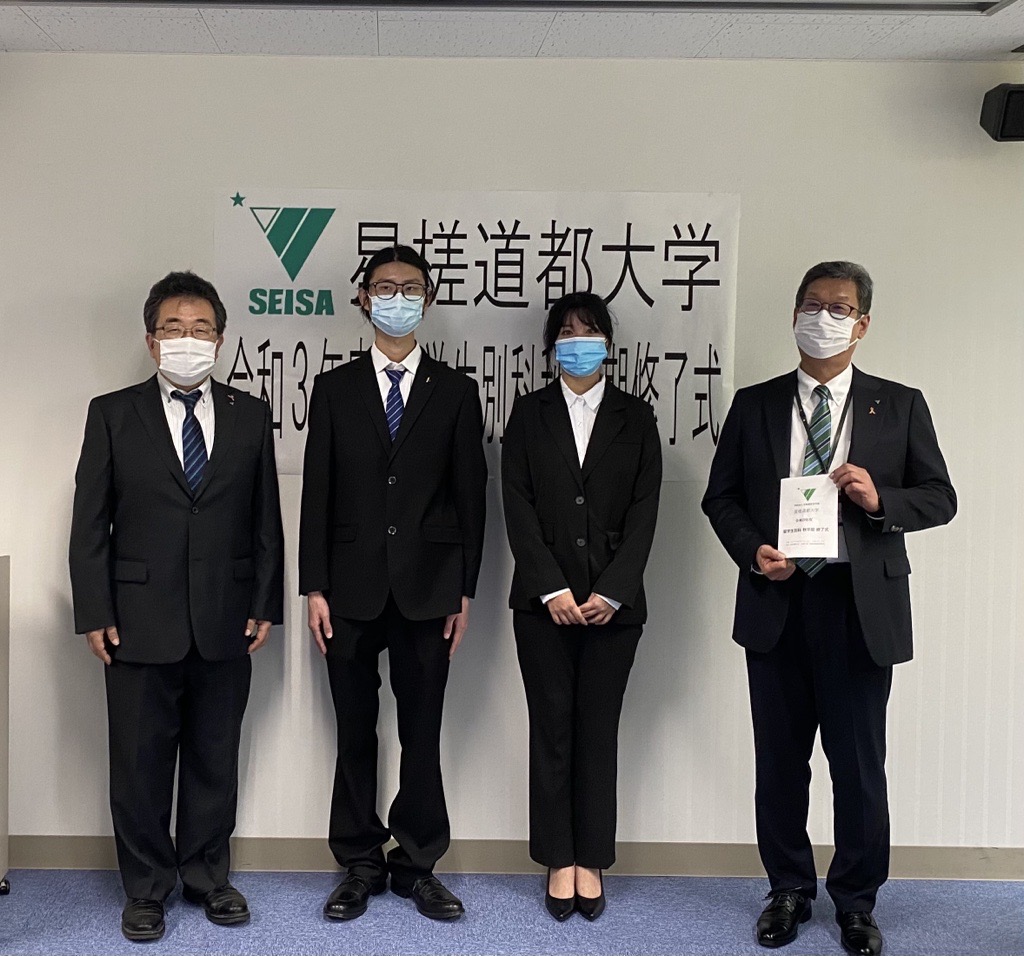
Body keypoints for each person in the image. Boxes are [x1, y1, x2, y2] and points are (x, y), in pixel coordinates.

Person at [702, 261, 956, 956]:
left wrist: (880, 500)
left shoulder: (899, 405)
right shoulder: (755, 404)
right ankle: (787, 889)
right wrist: (753, 551)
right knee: (780, 763)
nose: (823, 318)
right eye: (811, 305)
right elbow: (721, 497)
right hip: (777, 600)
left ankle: (856, 902)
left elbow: (940, 497)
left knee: (858, 766)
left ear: (862, 324)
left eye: (839, 308)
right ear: (793, 315)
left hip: (857, 607)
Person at [69, 271, 284, 942]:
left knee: (215, 757)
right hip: (136, 618)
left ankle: (207, 878)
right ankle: (146, 889)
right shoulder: (113, 413)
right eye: (173, 328)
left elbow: (266, 519)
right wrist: (94, 609)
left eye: (200, 329)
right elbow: (90, 520)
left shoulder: (250, 414)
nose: (187, 339)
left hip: (226, 615)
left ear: (220, 340)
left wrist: (264, 601)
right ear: (150, 339)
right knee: (138, 764)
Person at [299, 245, 487, 922]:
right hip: (348, 588)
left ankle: (417, 863)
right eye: (384, 287)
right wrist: (314, 586)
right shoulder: (335, 388)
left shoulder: (456, 391)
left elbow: (471, 497)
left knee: (422, 732)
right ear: (363, 298)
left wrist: (464, 591)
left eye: (410, 288)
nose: (397, 298)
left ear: (428, 300)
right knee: (355, 732)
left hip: (430, 589)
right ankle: (358, 861)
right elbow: (317, 492)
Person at [501, 292, 662, 922]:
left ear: (608, 345)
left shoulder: (636, 417)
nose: (578, 342)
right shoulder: (528, 413)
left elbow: (646, 511)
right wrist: (551, 587)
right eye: (566, 333)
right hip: (542, 606)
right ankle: (557, 857)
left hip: (613, 609)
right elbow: (516, 504)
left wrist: (612, 590)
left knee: (598, 730)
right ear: (551, 347)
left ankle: (591, 856)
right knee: (551, 730)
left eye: (589, 331)